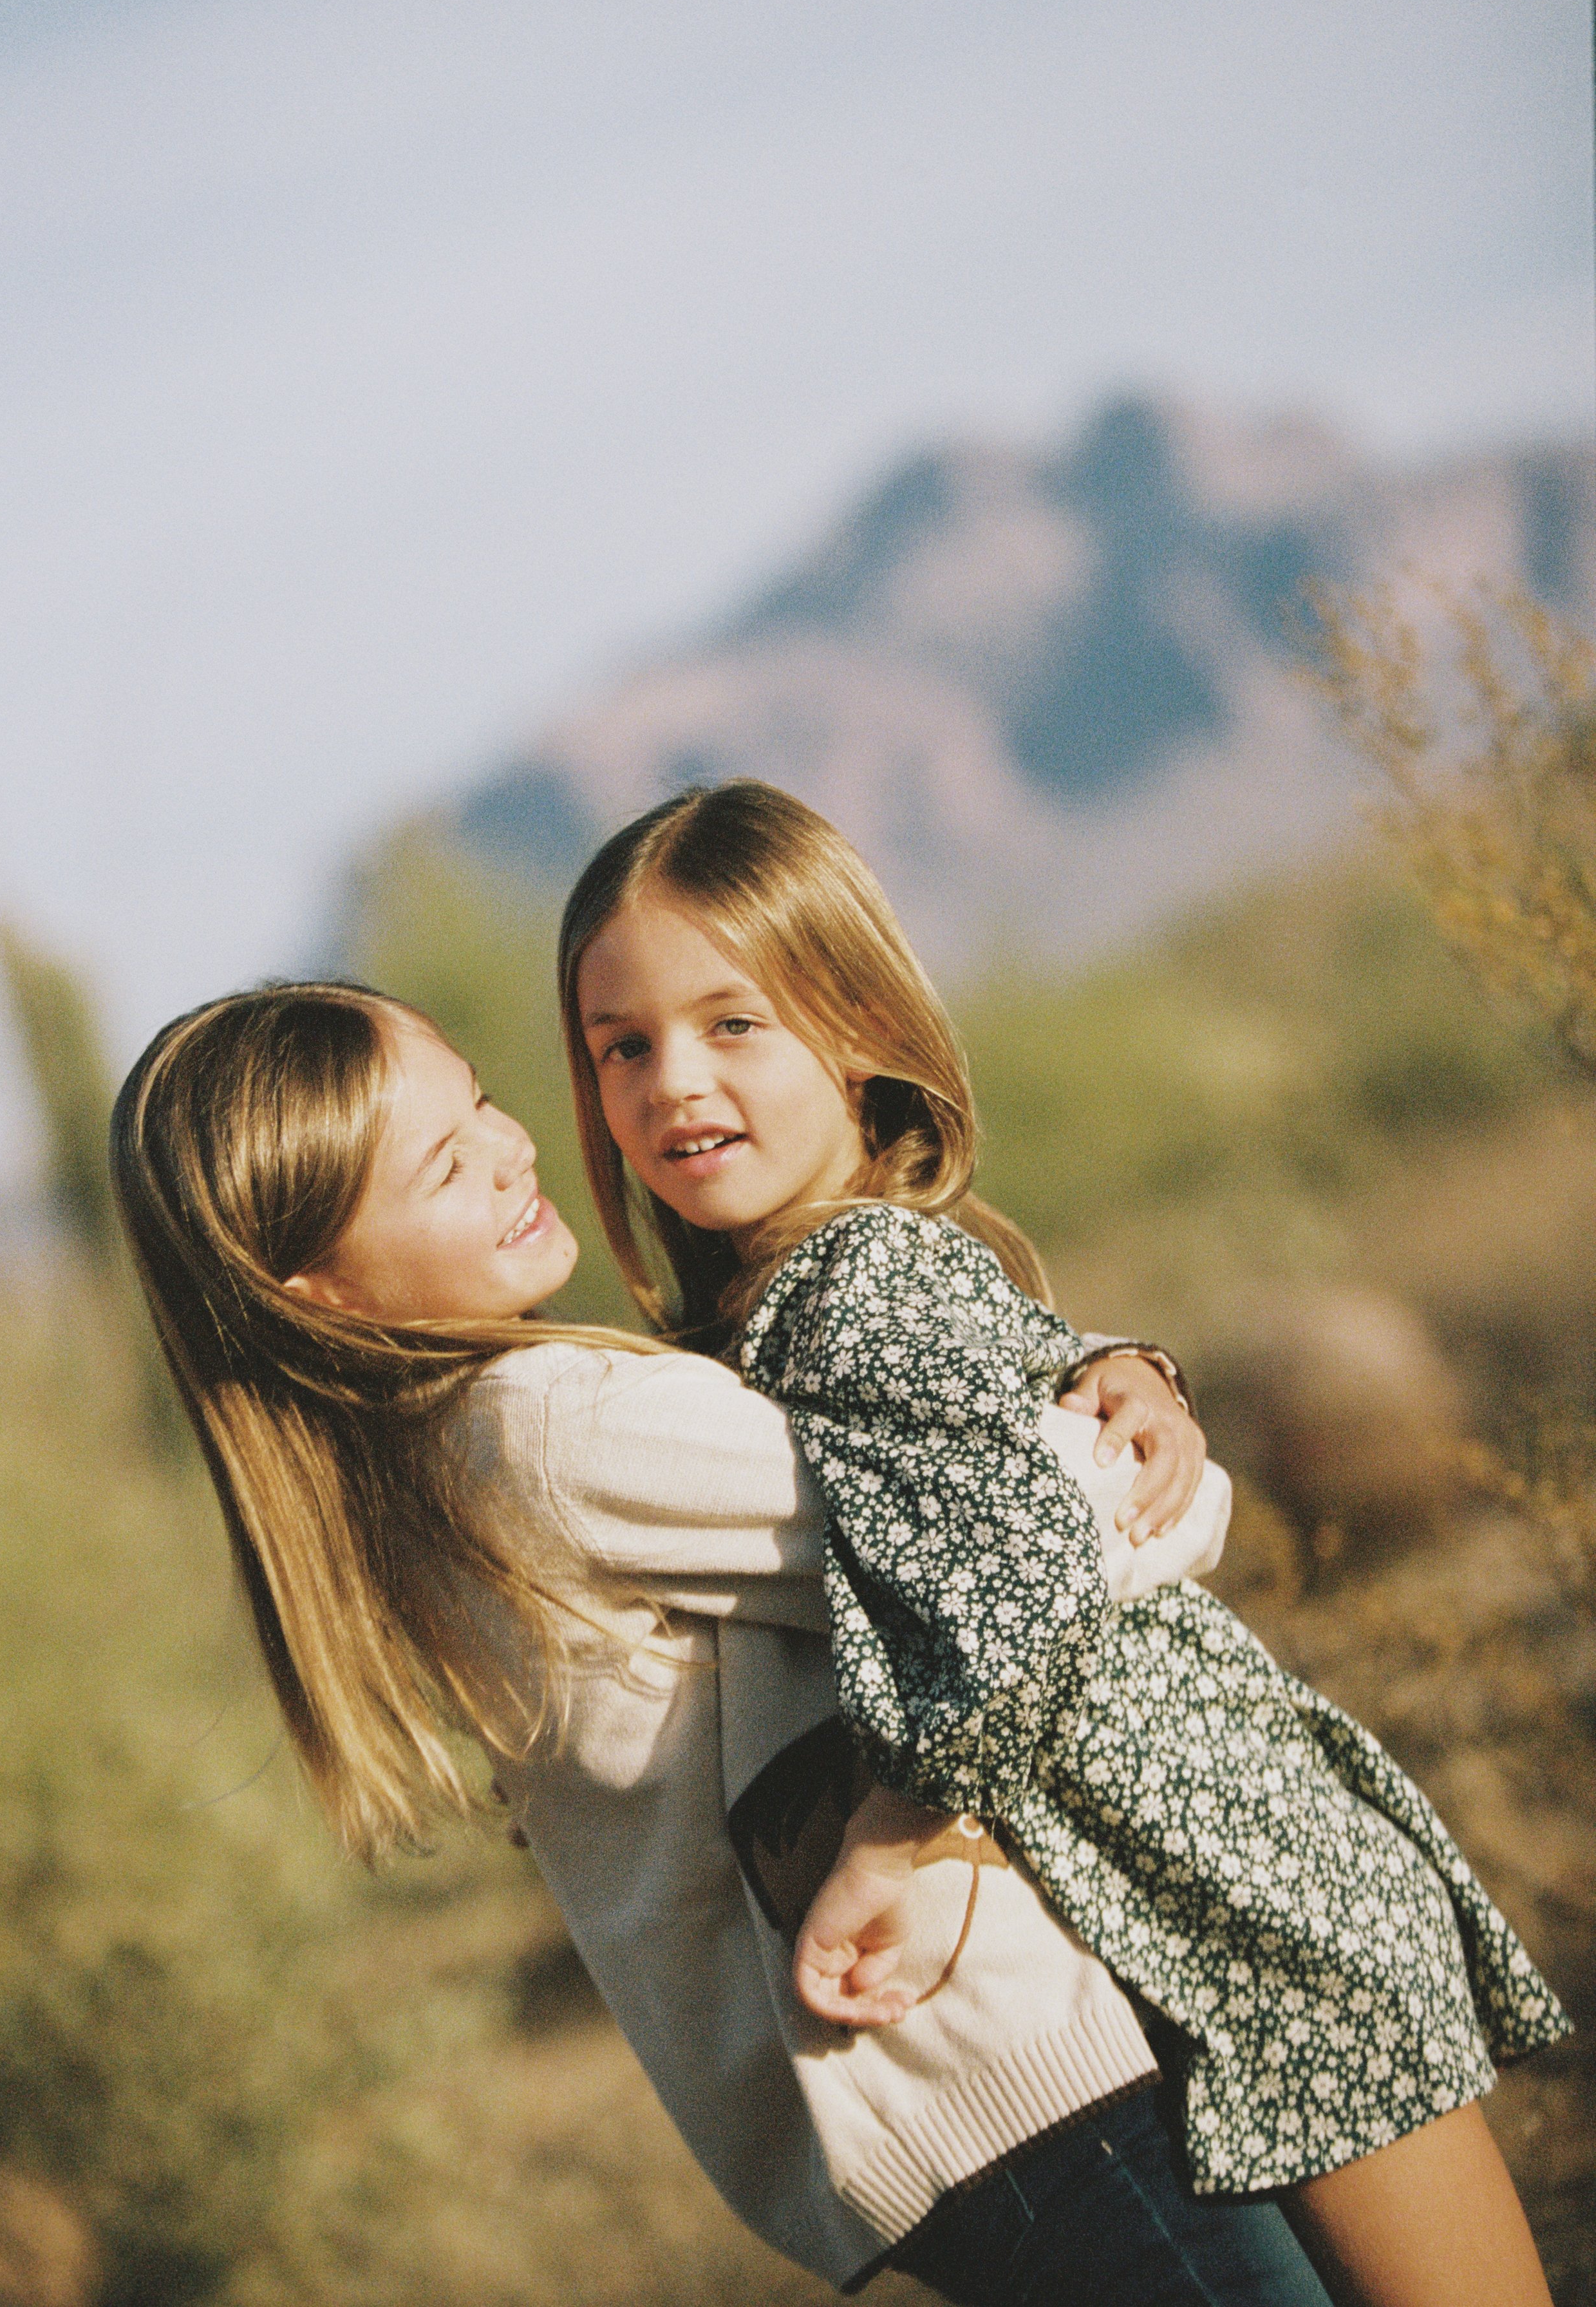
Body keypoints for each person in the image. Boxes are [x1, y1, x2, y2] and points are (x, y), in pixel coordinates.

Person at [111, 979, 1340, 2306]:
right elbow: (1032, 1522)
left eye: (479, 1098)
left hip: (958, 2117)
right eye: (443, 1164)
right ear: (318, 1292)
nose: (511, 1147)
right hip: (1016, 2085)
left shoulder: (426, 1469)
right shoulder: (540, 1429)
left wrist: (1109, 1368)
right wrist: (1147, 1428)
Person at [558, 778, 1568, 2307]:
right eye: (621, 1044)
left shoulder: (855, 1281)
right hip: (1204, 1921)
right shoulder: (785, 1312)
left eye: (731, 1022)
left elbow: (1025, 1540)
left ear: (853, 1026)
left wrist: (903, 1827)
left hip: (1262, 1907)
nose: (670, 1081)